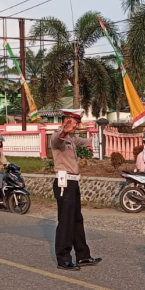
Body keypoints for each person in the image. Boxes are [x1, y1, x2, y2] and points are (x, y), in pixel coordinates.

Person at [50, 109, 101, 271]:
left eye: (77, 122)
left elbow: (86, 142)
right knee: (65, 221)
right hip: (63, 183)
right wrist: (64, 131)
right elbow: (57, 141)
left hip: (73, 183)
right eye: (73, 122)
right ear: (65, 122)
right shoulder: (57, 136)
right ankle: (63, 258)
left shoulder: (72, 138)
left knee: (77, 220)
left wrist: (100, 134)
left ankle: (83, 255)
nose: (76, 125)